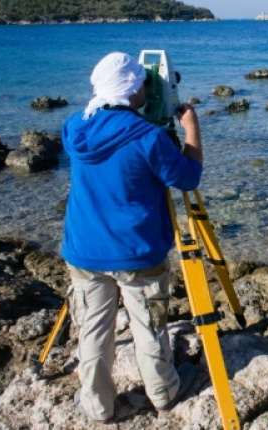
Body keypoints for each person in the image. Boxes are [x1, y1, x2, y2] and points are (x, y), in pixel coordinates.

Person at [61, 52, 202, 423]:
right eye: (141, 82)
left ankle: (97, 405)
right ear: (130, 89)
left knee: (93, 331)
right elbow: (187, 177)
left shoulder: (74, 127)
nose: (145, 87)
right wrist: (190, 128)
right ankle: (164, 393)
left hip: (84, 252)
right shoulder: (149, 138)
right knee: (149, 328)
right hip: (137, 254)